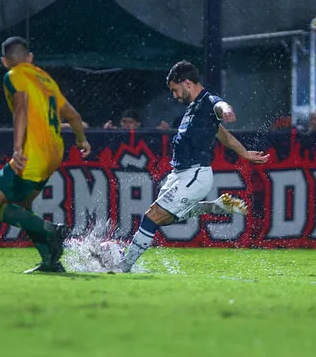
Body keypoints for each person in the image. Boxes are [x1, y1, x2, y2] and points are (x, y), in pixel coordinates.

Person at [108, 61, 269, 273]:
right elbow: (225, 136)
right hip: (179, 175)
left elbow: (220, 105)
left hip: (195, 175)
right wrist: (245, 153)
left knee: (152, 216)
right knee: (163, 219)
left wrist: (227, 109)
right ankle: (214, 206)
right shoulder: (194, 109)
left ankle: (124, 265)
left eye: (175, 90)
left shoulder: (207, 101)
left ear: (187, 83)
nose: (174, 96)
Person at [0, 37, 91, 273]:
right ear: (30, 57)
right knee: (21, 205)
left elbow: (21, 107)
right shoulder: (46, 80)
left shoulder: (14, 75)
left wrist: (18, 149)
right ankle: (51, 262)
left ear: (4, 61)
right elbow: (73, 115)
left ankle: (51, 229)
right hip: (54, 153)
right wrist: (81, 139)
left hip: (32, 153)